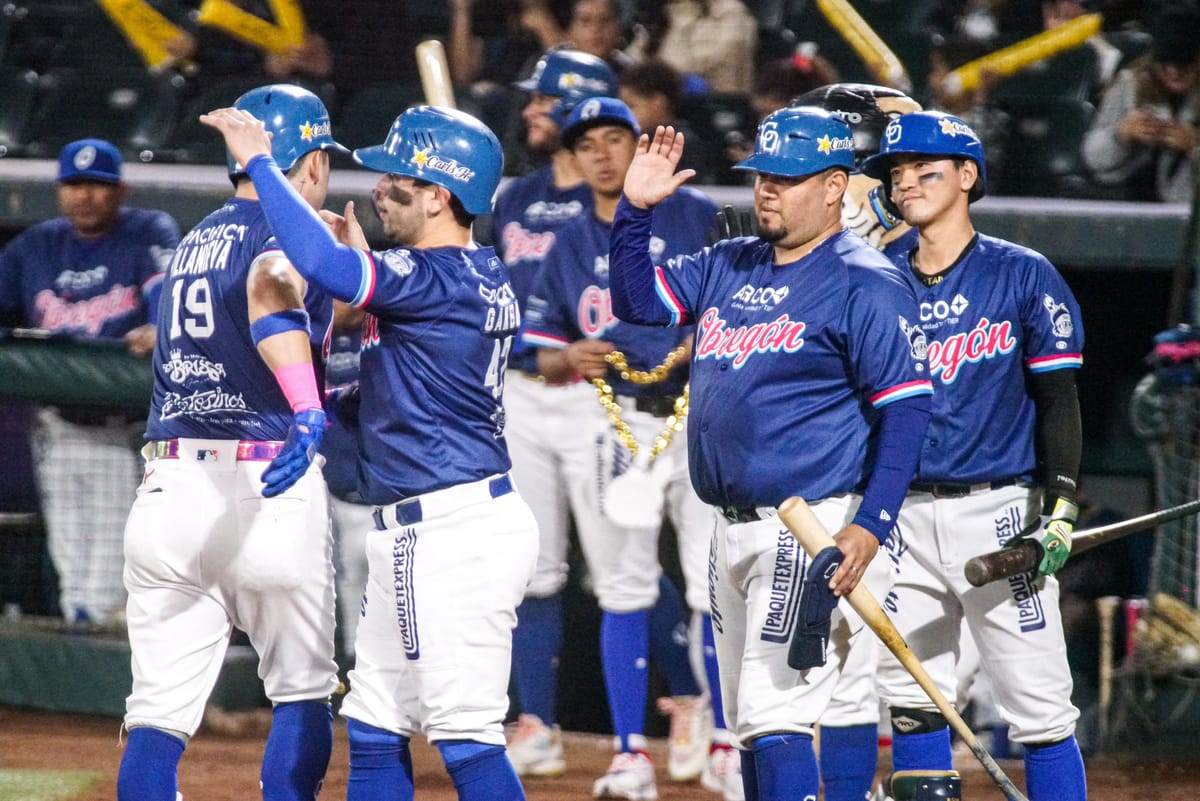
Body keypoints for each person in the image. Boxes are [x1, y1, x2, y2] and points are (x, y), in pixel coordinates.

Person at [204, 101, 540, 801]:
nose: (377, 188)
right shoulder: (469, 273)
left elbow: (324, 264)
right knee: (375, 720)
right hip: (434, 520)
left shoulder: (437, 278)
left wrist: (262, 162)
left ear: (441, 196)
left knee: (465, 733)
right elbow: (364, 302)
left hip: (451, 529)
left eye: (397, 180)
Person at [608, 109, 935, 801]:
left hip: (808, 521)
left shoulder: (865, 280)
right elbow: (637, 301)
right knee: (751, 723)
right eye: (762, 176)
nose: (767, 191)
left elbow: (907, 411)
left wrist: (870, 524)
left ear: (836, 187)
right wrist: (634, 212)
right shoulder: (730, 261)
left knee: (775, 711)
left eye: (787, 179)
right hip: (727, 524)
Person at [118, 84, 345, 801]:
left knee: (155, 720)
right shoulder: (283, 237)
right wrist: (309, 409)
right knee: (302, 693)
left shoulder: (191, 238)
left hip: (167, 489)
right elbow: (272, 294)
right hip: (267, 481)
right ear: (306, 163)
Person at [860, 110, 1087, 801]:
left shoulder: (1022, 274)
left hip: (997, 512)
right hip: (897, 514)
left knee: (1040, 708)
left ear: (968, 177)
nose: (906, 186)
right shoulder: (871, 276)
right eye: (897, 176)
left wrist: (1062, 506)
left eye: (925, 171)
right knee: (910, 695)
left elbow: (1059, 400)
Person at [521, 96, 724, 800]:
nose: (604, 153)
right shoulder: (569, 241)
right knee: (624, 587)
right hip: (619, 420)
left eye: (617, 138)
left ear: (641, 147)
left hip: (699, 416)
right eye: (589, 144)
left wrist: (710, 335)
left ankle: (723, 737)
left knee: (710, 584)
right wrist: (570, 354)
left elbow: (749, 301)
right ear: (572, 158)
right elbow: (541, 352)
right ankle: (632, 752)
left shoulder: (695, 214)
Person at [489, 47, 617, 777]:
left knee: (622, 569)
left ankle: (698, 709)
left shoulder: (613, 200)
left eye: (543, 100)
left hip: (599, 399)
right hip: (520, 393)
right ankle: (535, 721)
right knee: (531, 568)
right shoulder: (514, 196)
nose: (531, 110)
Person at [0, 138, 180, 626]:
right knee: (69, 557)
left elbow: (168, 296)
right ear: (59, 189)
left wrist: (158, 323)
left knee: (108, 563)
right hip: (57, 428)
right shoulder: (34, 247)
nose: (85, 195)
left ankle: (102, 659)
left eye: (97, 185)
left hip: (121, 431)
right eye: (74, 184)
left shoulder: (147, 232)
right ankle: (78, 654)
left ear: (119, 190)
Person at [1081, 2, 1200, 203]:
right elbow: (1092, 157)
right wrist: (1121, 135)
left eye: (1184, 64)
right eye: (1165, 63)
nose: (1174, 72)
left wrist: (1194, 147)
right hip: (1132, 202)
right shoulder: (1132, 83)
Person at [624, 0, 758, 95]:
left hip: (716, 113)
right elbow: (632, 64)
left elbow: (719, 59)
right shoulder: (658, 15)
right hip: (661, 115)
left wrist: (655, 76)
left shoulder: (730, 13)